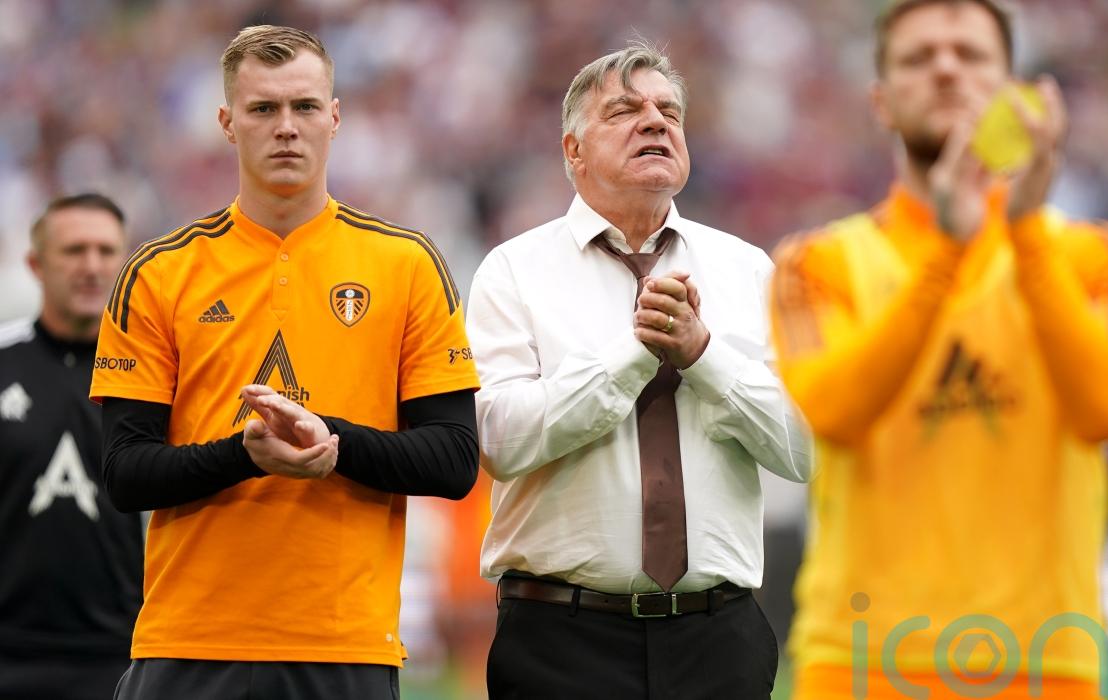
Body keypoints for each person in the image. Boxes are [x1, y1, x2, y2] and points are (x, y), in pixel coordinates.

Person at [769, 1, 1108, 698]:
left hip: (1043, 662)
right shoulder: (816, 262)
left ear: (1013, 93)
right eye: (918, 58)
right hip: (862, 661)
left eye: (970, 54)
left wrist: (1024, 231)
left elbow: (1107, 413)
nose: (946, 69)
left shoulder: (1093, 254)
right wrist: (947, 251)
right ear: (881, 103)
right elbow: (835, 414)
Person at [89, 25, 479, 699]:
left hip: (346, 646)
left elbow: (453, 459)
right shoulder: (159, 272)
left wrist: (332, 443)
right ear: (226, 123)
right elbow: (124, 474)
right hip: (189, 643)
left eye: (304, 106)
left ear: (335, 117)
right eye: (263, 108)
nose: (287, 127)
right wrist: (244, 457)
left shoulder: (407, 265)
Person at [467, 42, 813, 700]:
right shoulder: (513, 271)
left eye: (669, 111)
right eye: (625, 110)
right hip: (560, 641)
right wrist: (635, 355)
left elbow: (804, 450)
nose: (655, 120)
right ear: (573, 151)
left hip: (720, 641)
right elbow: (500, 443)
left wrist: (703, 355)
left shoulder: (748, 270)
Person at [0, 194, 141, 700]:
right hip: (8, 652)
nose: (92, 267)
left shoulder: (158, 373)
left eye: (106, 251)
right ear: (36, 265)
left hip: (126, 654)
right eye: (74, 250)